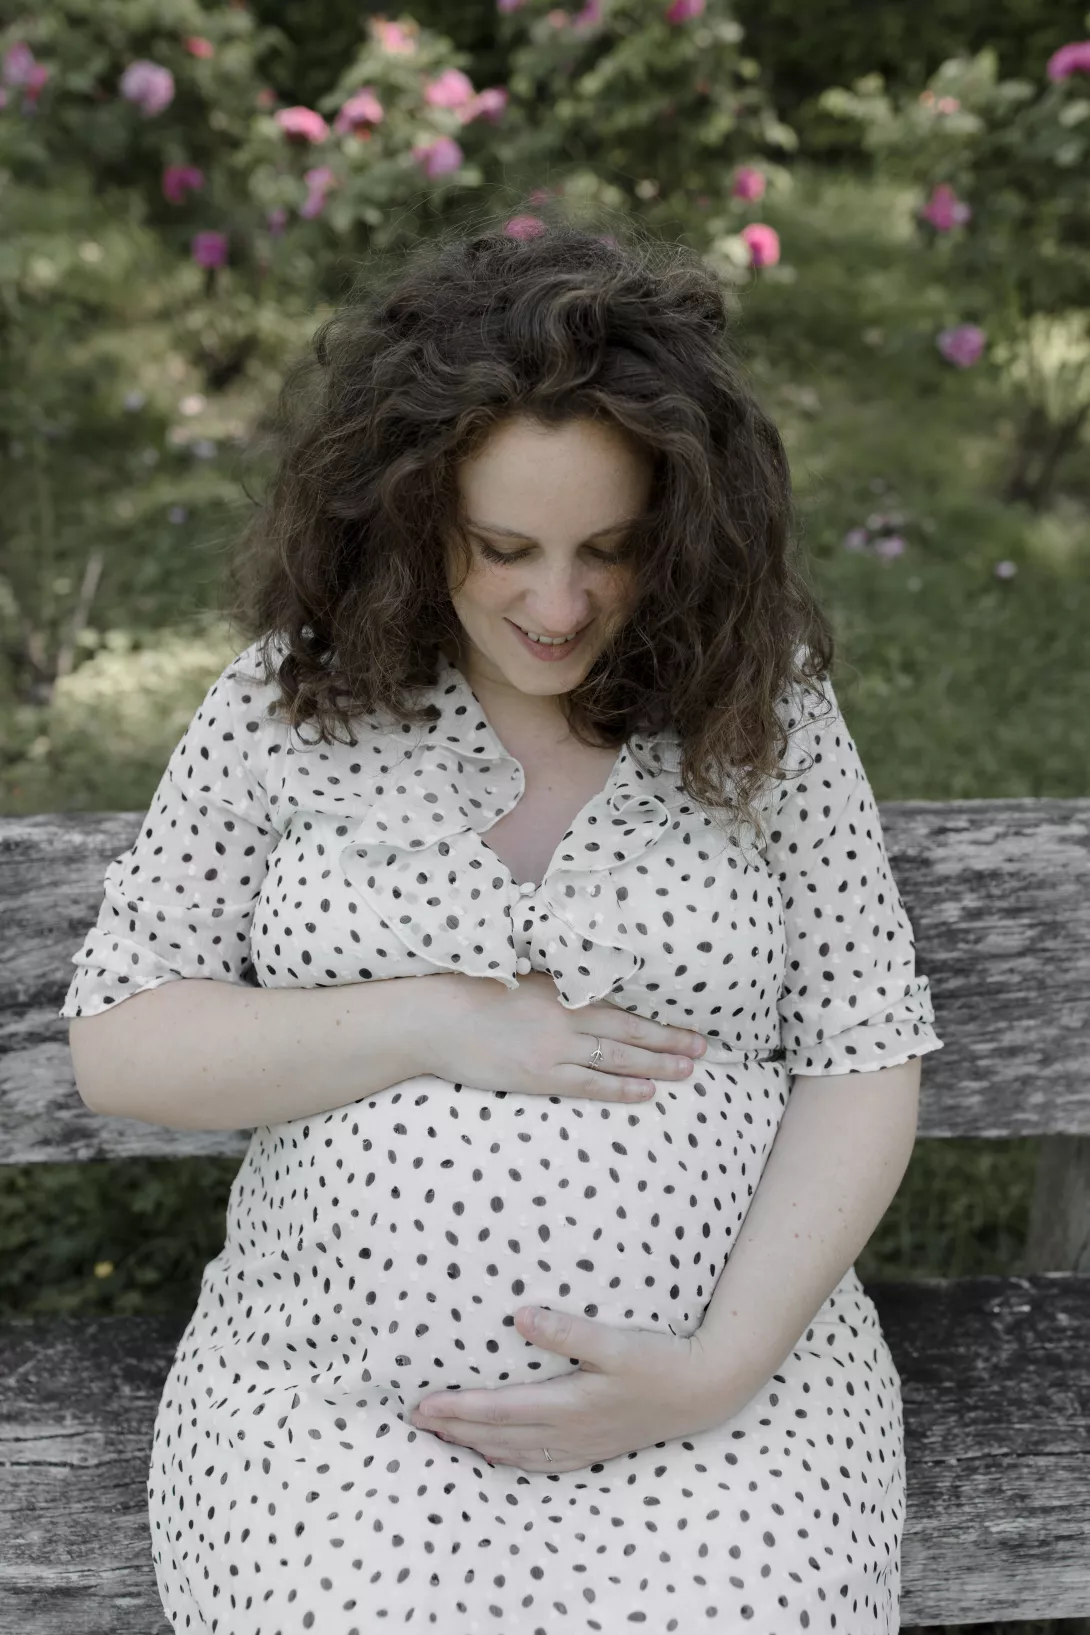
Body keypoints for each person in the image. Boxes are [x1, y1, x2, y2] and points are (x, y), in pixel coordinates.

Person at [62, 212, 944, 1635]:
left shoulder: (757, 701)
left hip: (728, 1406)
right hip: (342, 1408)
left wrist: (715, 1367)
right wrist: (442, 1017)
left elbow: (864, 1046)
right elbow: (123, 1040)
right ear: (412, 511)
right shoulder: (291, 704)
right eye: (503, 545)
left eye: (611, 546)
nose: (558, 601)